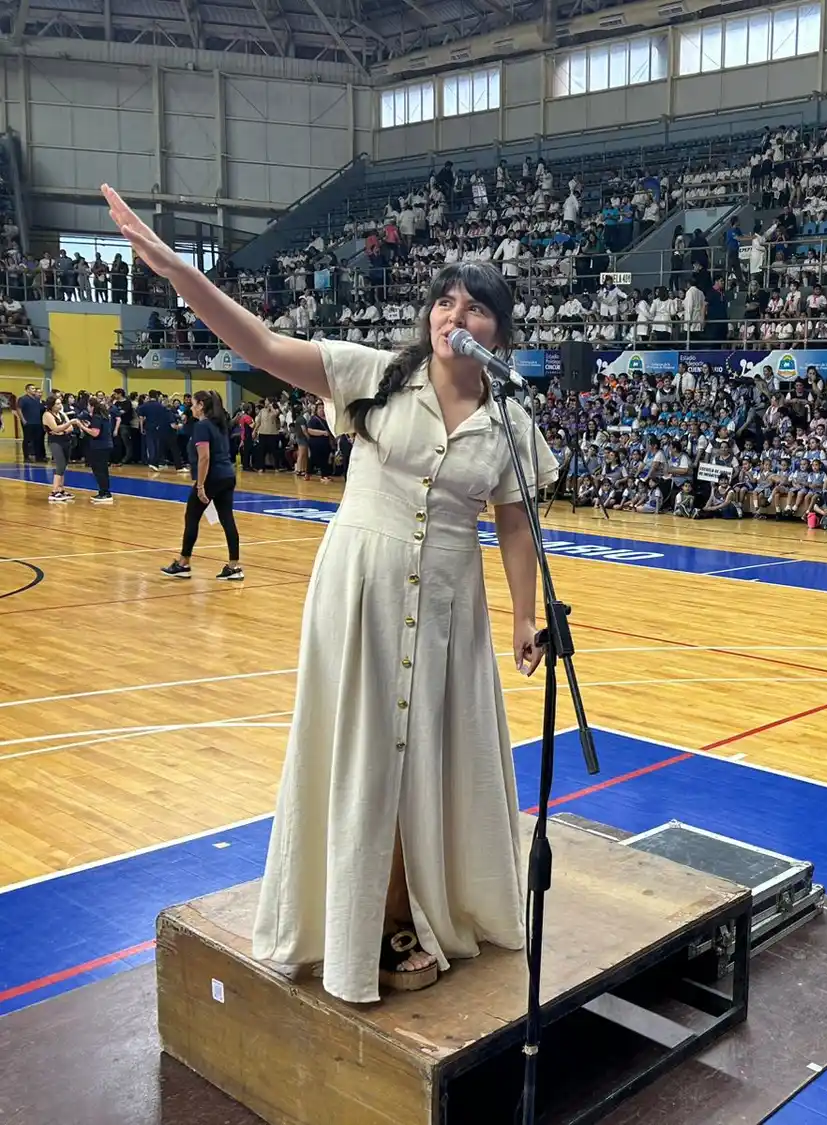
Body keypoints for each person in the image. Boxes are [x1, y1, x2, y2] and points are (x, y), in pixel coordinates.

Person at [104, 184, 558, 1003]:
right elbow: (261, 343)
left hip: (453, 608)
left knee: (430, 763)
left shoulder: (511, 419)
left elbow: (517, 524)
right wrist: (178, 273)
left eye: (475, 306)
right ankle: (373, 921)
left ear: (499, 328)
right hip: (361, 594)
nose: (454, 313)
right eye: (444, 300)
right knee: (363, 760)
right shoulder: (372, 374)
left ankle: (423, 904)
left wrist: (527, 616)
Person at [160, 390, 244, 581]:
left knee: (192, 516)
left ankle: (183, 563)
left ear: (200, 406)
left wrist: (200, 485)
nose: (191, 407)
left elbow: (204, 457)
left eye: (193, 404)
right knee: (227, 519)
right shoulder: (219, 424)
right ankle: (234, 566)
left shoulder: (202, 426)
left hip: (212, 477)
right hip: (227, 476)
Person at [74, 393, 115, 504]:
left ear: (91, 406)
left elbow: (95, 433)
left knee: (99, 470)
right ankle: (104, 492)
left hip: (99, 446)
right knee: (102, 470)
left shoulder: (97, 417)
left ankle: (105, 492)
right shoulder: (104, 416)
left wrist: (81, 426)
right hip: (105, 445)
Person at [41, 393, 78, 503]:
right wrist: (67, 424)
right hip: (55, 442)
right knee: (60, 465)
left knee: (64, 465)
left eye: (60, 403)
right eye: (57, 404)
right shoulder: (47, 415)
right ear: (51, 405)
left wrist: (64, 429)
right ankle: (54, 491)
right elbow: (55, 428)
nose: (59, 405)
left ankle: (61, 490)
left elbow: (70, 428)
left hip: (66, 440)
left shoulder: (61, 414)